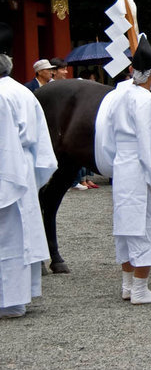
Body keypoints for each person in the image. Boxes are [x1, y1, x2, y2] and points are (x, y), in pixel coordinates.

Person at [107, 35, 151, 304]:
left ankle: (127, 286)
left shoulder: (119, 95)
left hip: (123, 166)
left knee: (127, 225)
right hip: (140, 169)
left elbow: (109, 136)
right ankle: (139, 288)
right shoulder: (148, 101)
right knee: (146, 225)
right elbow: (150, 146)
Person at [0, 23, 58, 318]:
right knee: (16, 236)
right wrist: (34, 178)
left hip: (9, 167)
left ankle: (9, 300)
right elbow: (42, 144)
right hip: (20, 168)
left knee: (8, 236)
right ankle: (16, 298)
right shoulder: (22, 93)